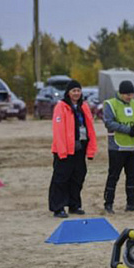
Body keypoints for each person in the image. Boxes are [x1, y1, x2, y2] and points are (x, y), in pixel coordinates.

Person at [49, 80, 97, 217]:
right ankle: (58, 207)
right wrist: (62, 151)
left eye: (78, 90)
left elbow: (90, 128)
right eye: (73, 91)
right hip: (65, 150)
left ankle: (74, 204)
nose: (76, 93)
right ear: (68, 93)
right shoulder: (61, 107)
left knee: (78, 177)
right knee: (61, 179)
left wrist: (91, 149)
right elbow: (58, 131)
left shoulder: (84, 106)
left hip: (80, 148)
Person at [102, 80, 134, 214]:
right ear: (121, 93)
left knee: (132, 176)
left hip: (133, 147)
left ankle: (131, 203)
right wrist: (127, 130)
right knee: (113, 176)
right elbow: (109, 123)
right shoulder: (110, 104)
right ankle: (108, 204)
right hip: (117, 147)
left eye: (131, 94)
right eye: (127, 94)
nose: (129, 97)